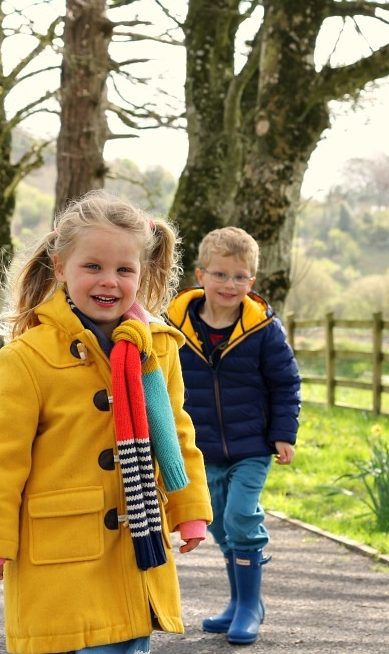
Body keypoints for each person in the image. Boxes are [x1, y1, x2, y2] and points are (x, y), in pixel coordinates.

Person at [0, 190, 213, 654]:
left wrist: (190, 507)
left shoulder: (157, 348)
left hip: (133, 550)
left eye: (124, 269)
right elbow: (2, 456)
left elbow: (177, 431)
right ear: (60, 269)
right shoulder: (28, 356)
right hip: (59, 555)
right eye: (92, 266)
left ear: (142, 274)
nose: (109, 281)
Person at [165, 226, 301, 645]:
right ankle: (239, 602)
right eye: (221, 275)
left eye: (240, 277)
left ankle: (250, 605)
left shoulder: (263, 329)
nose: (230, 285)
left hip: (252, 446)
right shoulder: (174, 327)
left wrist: (282, 432)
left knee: (242, 516)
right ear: (201, 275)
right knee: (221, 525)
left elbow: (285, 383)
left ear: (252, 281)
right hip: (201, 448)